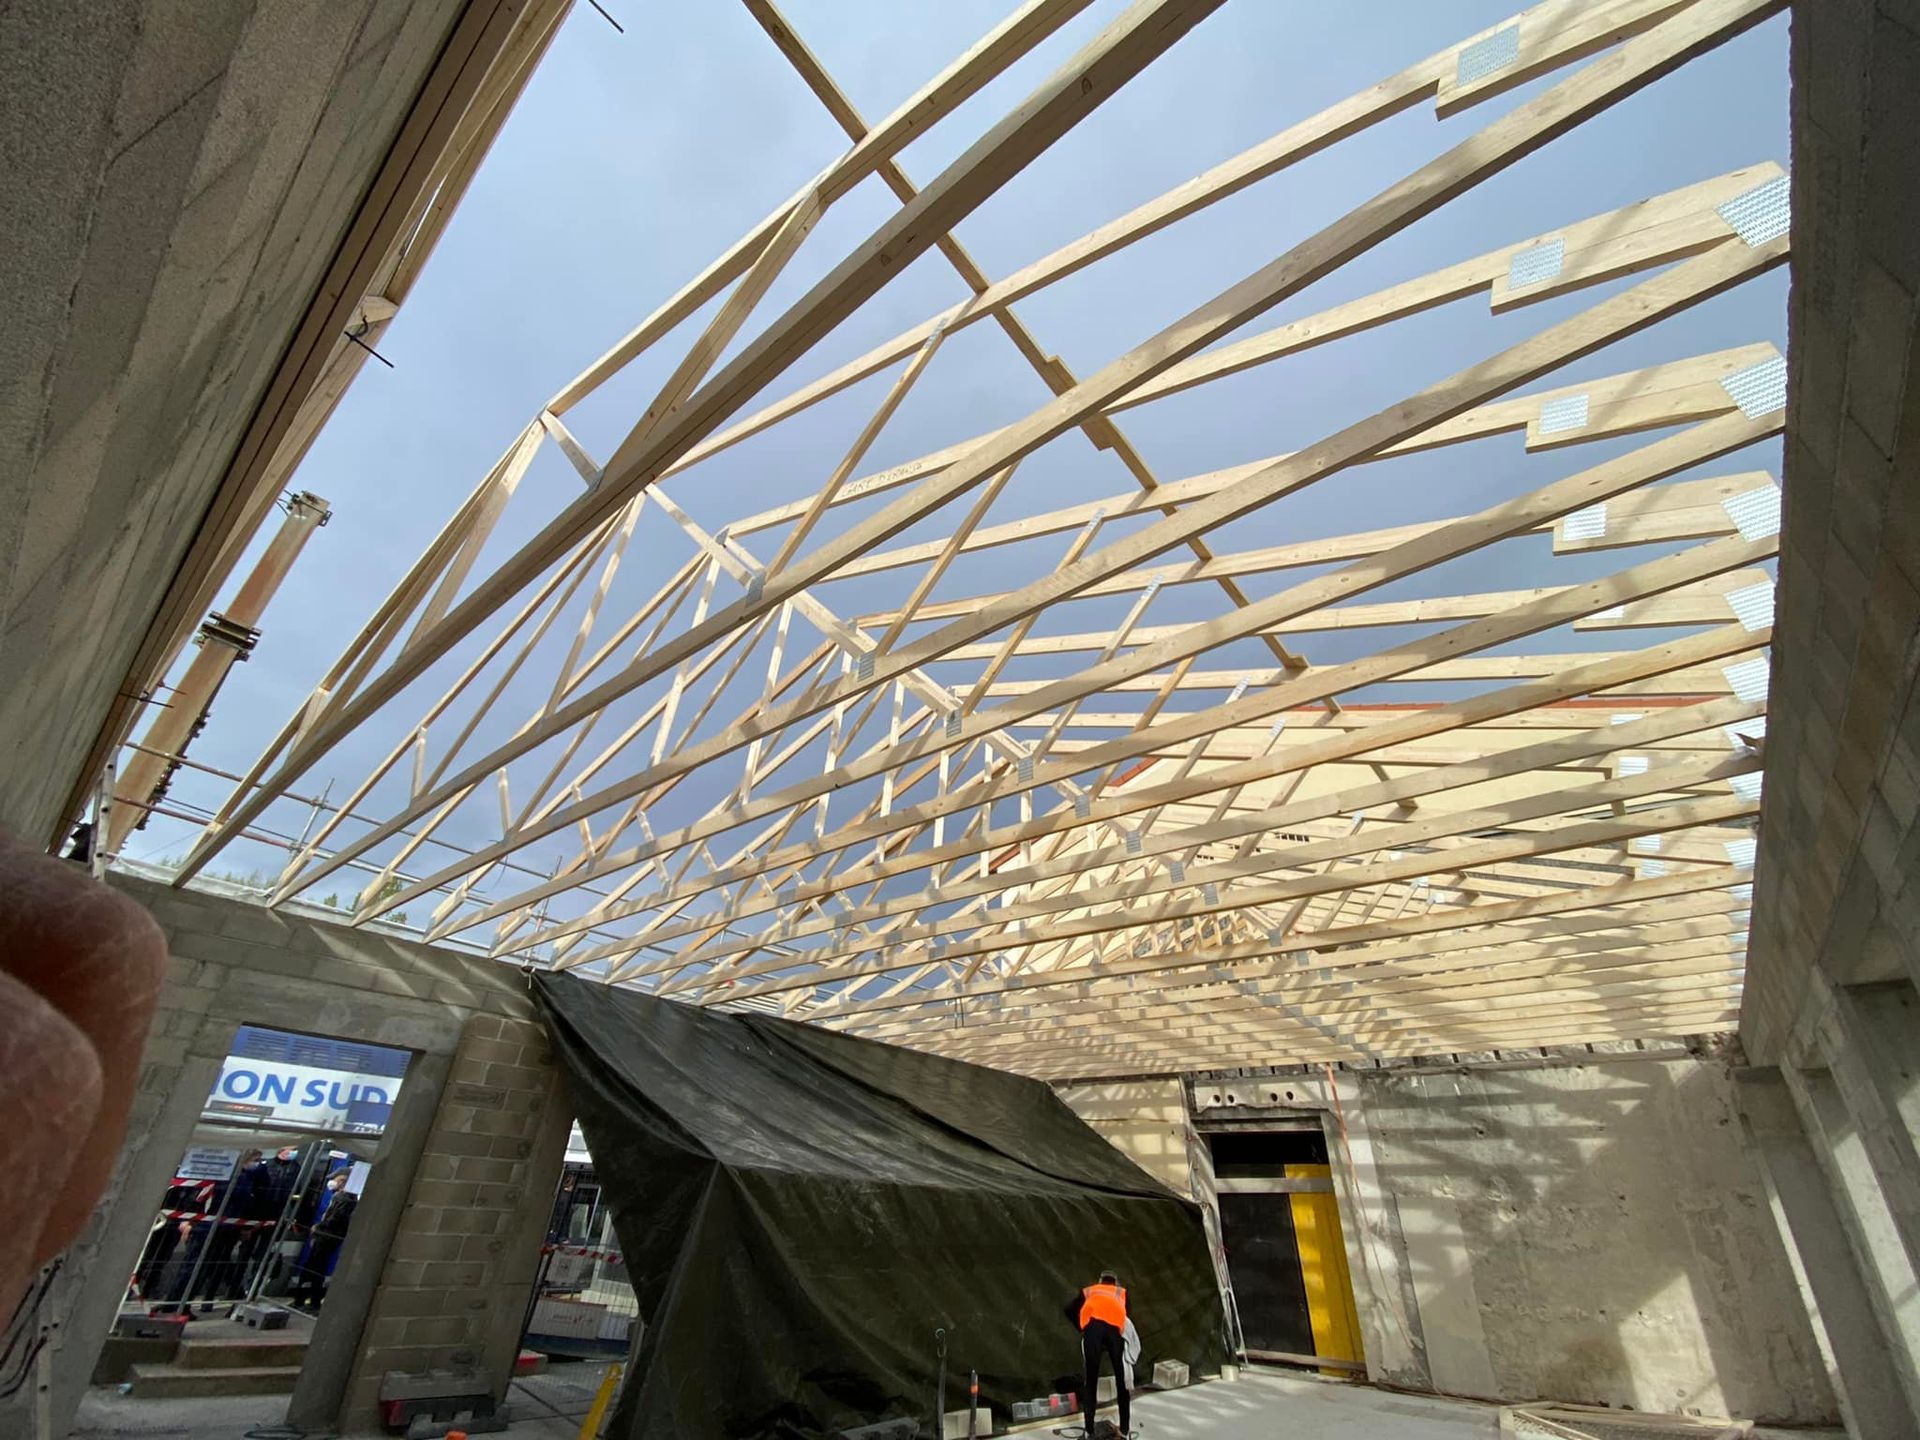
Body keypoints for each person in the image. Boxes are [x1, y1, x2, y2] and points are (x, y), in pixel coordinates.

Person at [1064, 1270, 1131, 1439]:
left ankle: (1089, 1431)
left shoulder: (1089, 1290)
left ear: (1100, 1281)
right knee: (1121, 1380)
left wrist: (1083, 1328)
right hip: (1114, 1331)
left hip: (1093, 1329)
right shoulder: (1120, 1292)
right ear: (1115, 1282)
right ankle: (1124, 1430)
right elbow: (1126, 1316)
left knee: (1091, 1380)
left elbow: (1069, 1309)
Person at [288, 1171, 356, 1309]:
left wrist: (319, 1227)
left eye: (335, 1180)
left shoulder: (345, 1200)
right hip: (324, 1235)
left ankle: (310, 1300)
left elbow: (335, 1218)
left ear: (342, 1183)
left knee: (316, 1268)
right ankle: (304, 1298)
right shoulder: (339, 1197)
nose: (332, 1183)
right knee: (313, 1267)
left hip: (327, 1236)